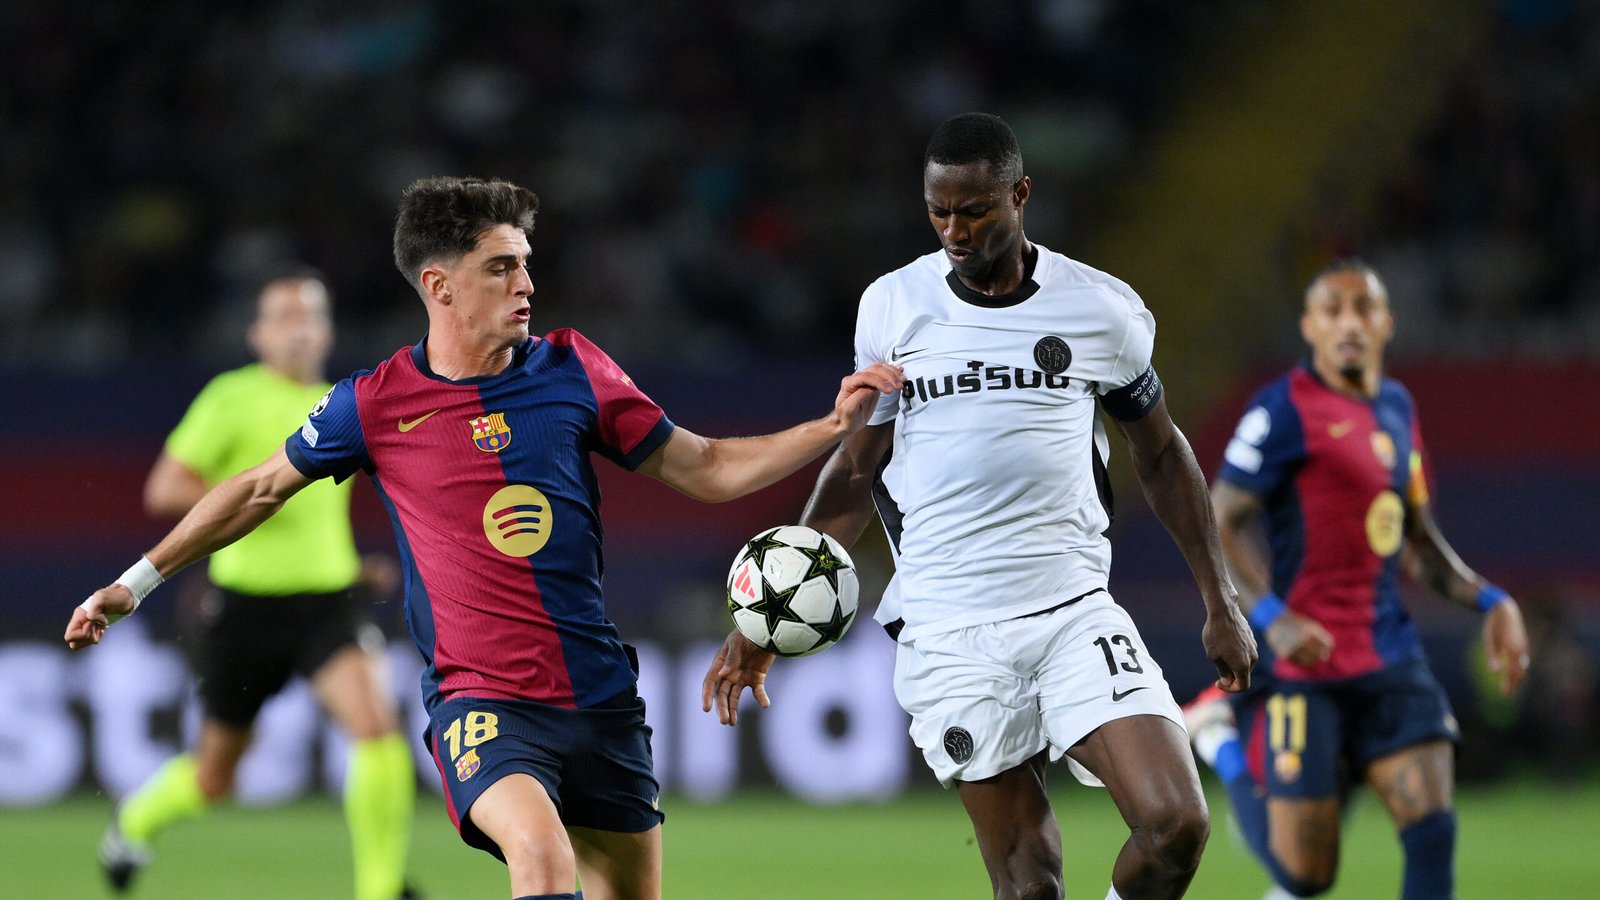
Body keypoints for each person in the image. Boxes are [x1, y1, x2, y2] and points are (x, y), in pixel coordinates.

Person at [68, 176, 904, 900]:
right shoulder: (374, 403)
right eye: (502, 266)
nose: (526, 283)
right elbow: (255, 489)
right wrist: (136, 581)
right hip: (483, 704)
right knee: (539, 859)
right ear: (441, 285)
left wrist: (830, 425)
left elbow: (710, 467)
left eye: (526, 263)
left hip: (602, 702)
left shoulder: (575, 369)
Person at [701, 113, 1257, 900]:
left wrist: (1219, 599)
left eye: (974, 210)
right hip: (950, 631)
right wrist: (763, 624)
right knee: (1030, 887)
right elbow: (856, 470)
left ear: (1020, 194)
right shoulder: (893, 307)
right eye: (939, 212)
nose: (954, 230)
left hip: (1073, 611)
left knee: (1176, 828)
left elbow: (1162, 453)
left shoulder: (1100, 310)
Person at [1184, 259, 1531, 899]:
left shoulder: (1398, 409)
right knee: (1306, 877)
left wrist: (1493, 600)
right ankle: (1221, 742)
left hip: (1389, 657)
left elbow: (1418, 544)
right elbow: (1219, 516)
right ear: (1310, 327)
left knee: (1432, 833)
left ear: (1386, 323)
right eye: (1333, 310)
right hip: (1305, 667)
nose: (1349, 322)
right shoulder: (1283, 408)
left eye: (1363, 308)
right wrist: (1271, 619)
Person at [95, 272, 417, 899]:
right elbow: (164, 489)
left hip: (326, 602)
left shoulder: (341, 402)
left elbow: (321, 523)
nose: (300, 329)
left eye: (311, 317)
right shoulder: (231, 397)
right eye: (284, 317)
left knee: (376, 729)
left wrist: (353, 568)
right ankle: (134, 822)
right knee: (216, 779)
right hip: (244, 608)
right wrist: (258, 503)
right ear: (258, 333)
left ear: (326, 330)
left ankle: (380, 890)